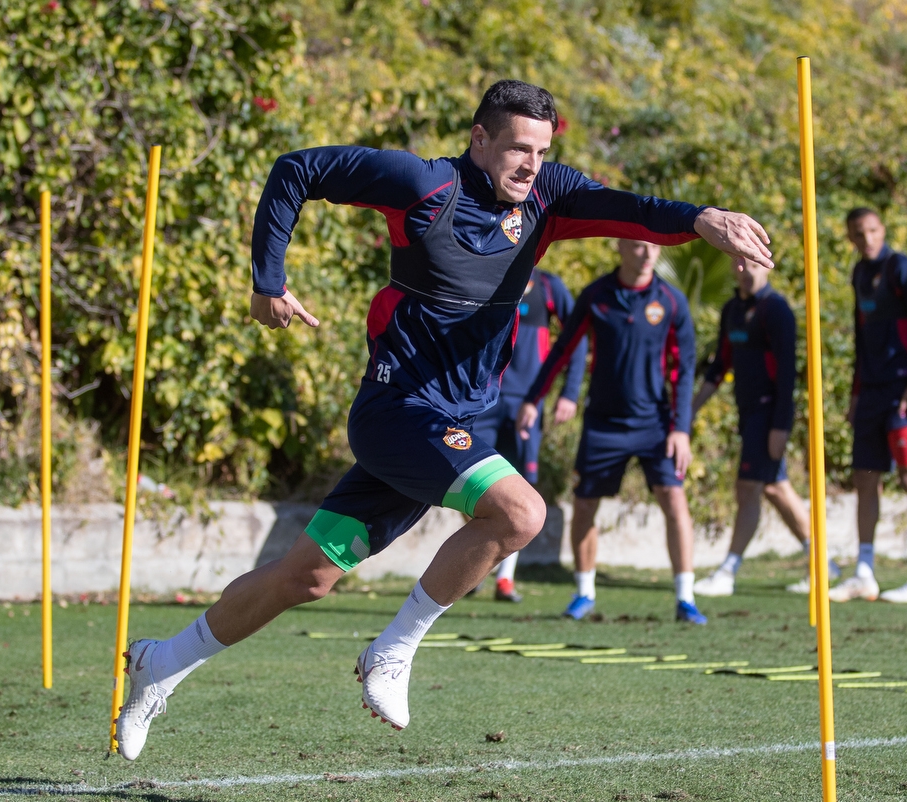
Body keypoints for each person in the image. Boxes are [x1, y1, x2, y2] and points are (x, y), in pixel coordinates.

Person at [114, 79, 775, 759]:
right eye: (517, 149)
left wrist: (701, 218)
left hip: (450, 425)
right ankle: (392, 651)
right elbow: (296, 170)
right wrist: (268, 280)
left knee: (305, 578)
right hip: (397, 413)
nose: (531, 165)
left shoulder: (547, 197)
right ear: (479, 139)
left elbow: (632, 210)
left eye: (542, 152)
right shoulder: (423, 185)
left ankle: (160, 663)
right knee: (521, 514)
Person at [517, 239, 706, 625]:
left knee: (674, 499)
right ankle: (584, 593)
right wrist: (534, 399)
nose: (647, 254)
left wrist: (681, 429)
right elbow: (563, 350)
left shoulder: (671, 301)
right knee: (585, 504)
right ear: (620, 246)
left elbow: (684, 369)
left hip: (656, 424)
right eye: (638, 246)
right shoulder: (596, 295)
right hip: (603, 423)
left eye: (654, 247)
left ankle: (686, 598)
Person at [691, 254, 839, 596]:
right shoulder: (732, 310)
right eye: (741, 264)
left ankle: (728, 571)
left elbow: (787, 375)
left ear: (767, 267)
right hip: (747, 413)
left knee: (748, 489)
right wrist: (693, 407)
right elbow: (720, 365)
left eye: (755, 265)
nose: (747, 272)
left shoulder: (776, 310)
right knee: (774, 488)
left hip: (767, 414)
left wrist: (780, 427)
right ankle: (824, 563)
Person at [828, 207, 907, 604]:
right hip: (871, 391)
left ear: (883, 230)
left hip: (904, 391)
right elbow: (861, 338)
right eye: (859, 233)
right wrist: (856, 393)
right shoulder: (859, 273)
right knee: (865, 478)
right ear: (850, 237)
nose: (867, 239)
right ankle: (864, 572)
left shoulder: (901, 268)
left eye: (873, 230)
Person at [469, 269, 587, 602]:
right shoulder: (485, 275)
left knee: (520, 487)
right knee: (470, 479)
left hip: (527, 403)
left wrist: (569, 392)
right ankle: (479, 561)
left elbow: (576, 337)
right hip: (481, 400)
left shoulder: (550, 286)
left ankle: (504, 579)